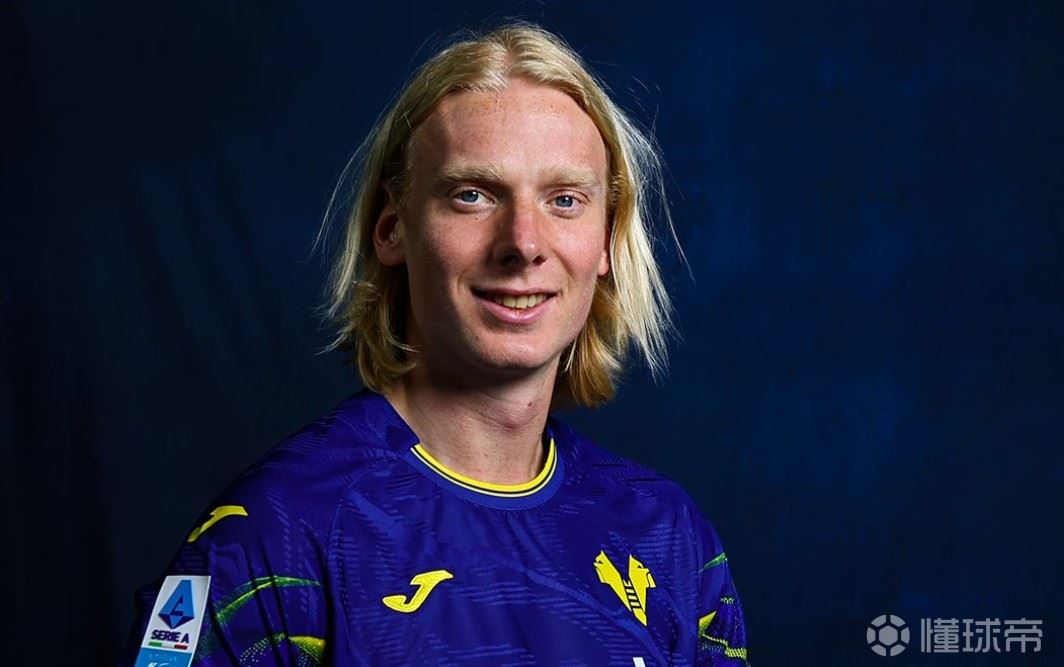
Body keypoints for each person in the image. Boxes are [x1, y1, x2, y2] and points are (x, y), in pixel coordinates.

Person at [119, 22, 748, 667]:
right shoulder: (270, 538)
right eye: (472, 195)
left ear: (607, 243)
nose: (523, 243)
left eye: (564, 200)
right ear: (393, 229)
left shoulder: (671, 538)